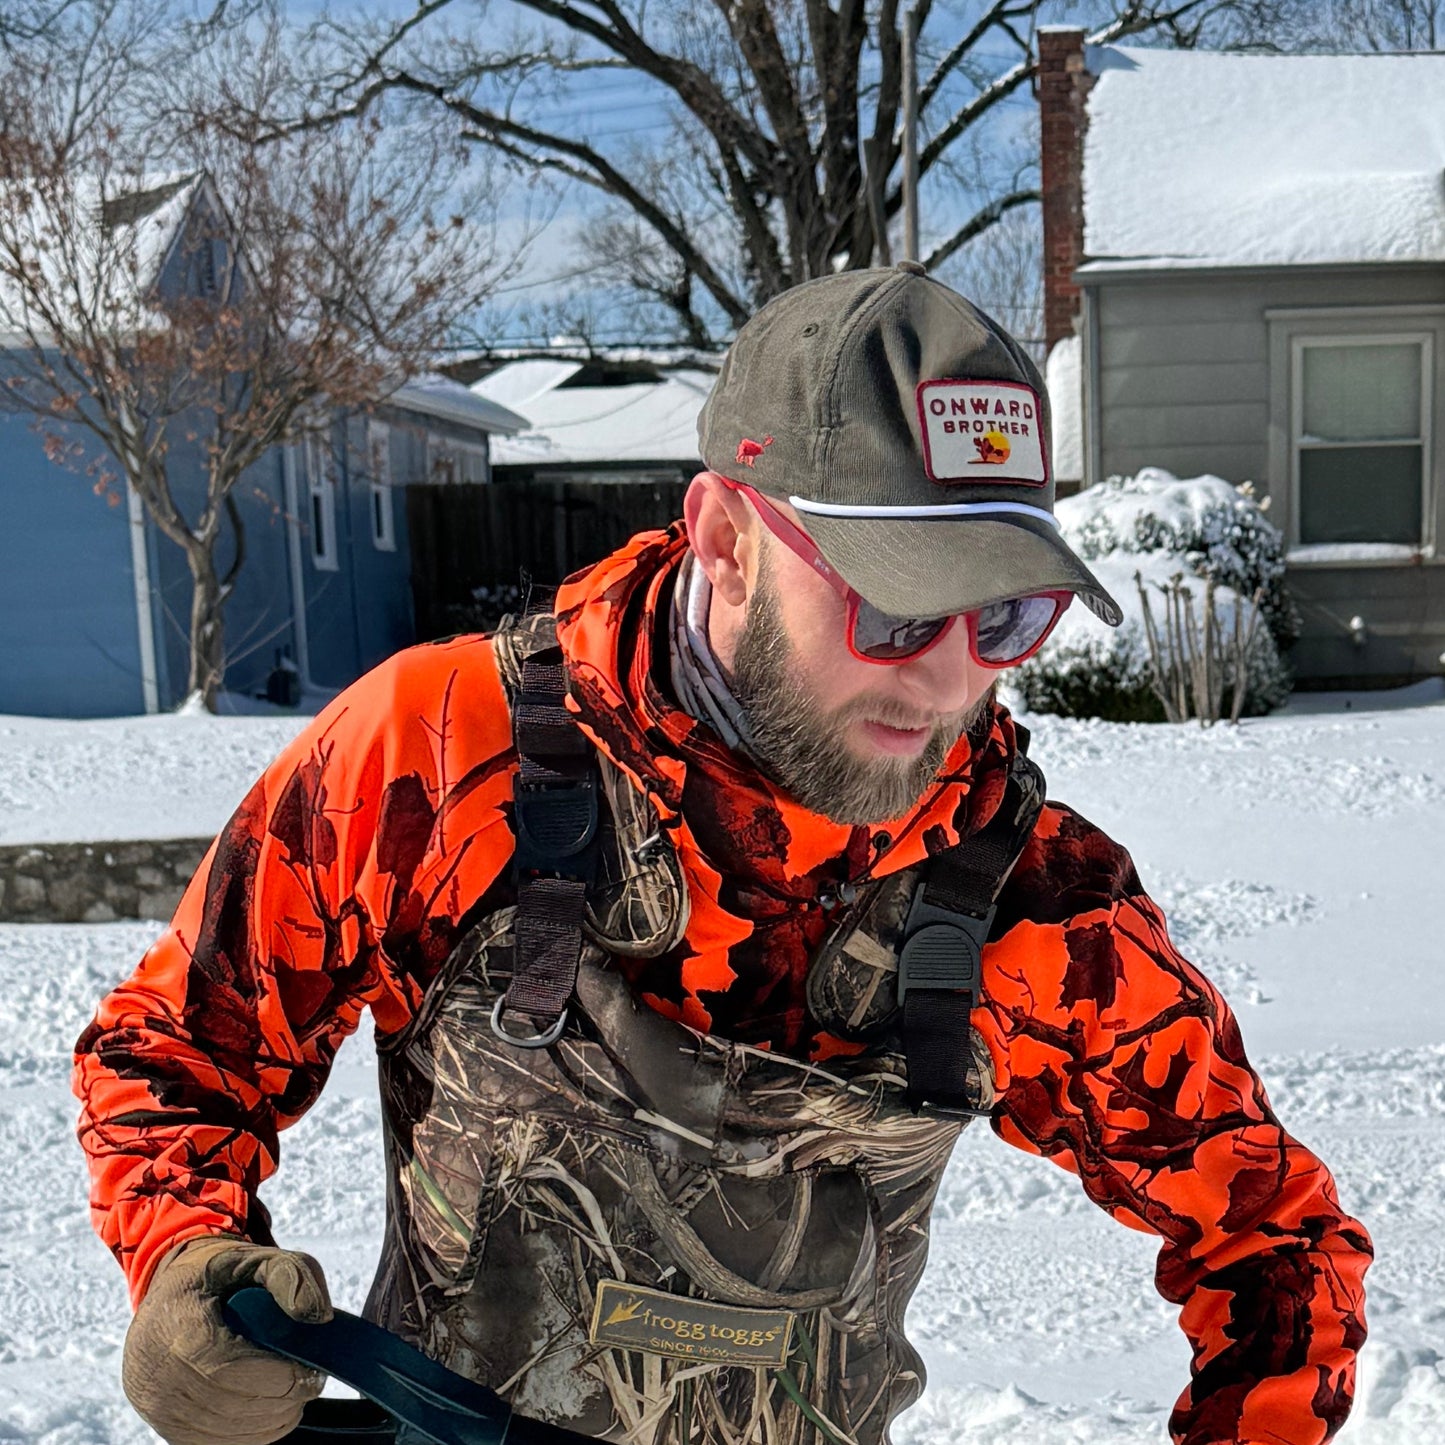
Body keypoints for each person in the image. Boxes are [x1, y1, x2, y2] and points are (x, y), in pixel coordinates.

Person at [75, 263, 1371, 1445]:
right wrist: (190, 1263)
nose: (944, 676)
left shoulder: (1027, 897)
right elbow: (177, 1056)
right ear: (726, 543)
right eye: (891, 598)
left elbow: (1271, 1240)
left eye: (1002, 613)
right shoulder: (438, 755)